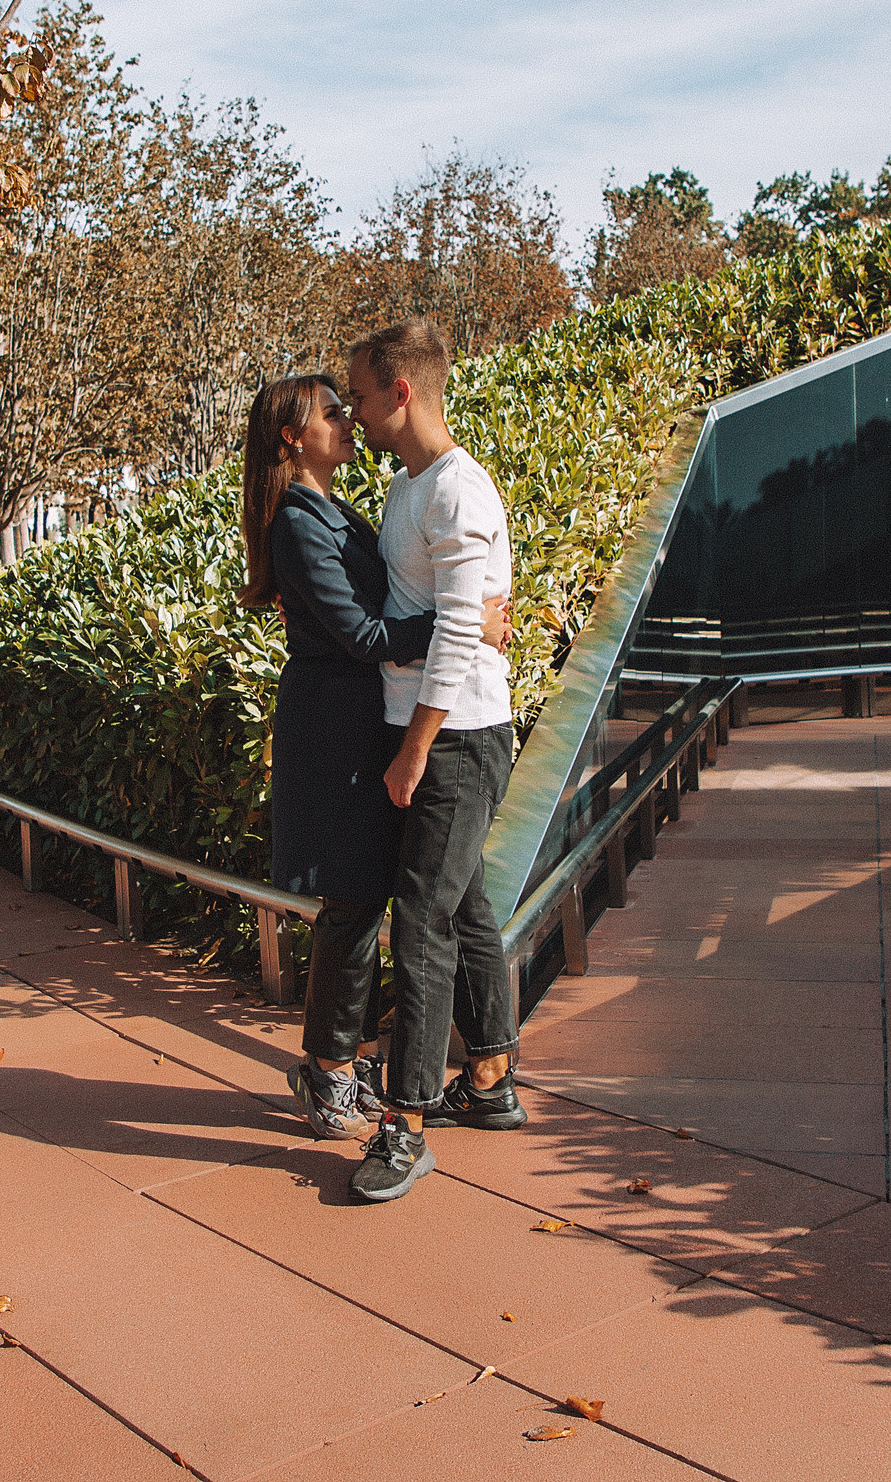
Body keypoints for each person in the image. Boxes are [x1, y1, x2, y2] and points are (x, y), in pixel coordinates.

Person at [237, 374, 509, 1141]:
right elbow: (362, 634)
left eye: (348, 404)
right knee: (352, 903)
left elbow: (378, 610)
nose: (348, 418)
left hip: (363, 722)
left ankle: (351, 1065)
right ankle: (328, 1072)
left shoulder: (333, 510)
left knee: (374, 901)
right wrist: (465, 625)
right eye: (332, 412)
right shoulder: (299, 522)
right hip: (336, 732)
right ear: (293, 436)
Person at [340, 318, 523, 1204]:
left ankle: (405, 1125)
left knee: (419, 921)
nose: (355, 412)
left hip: (455, 737)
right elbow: (479, 602)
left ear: (402, 393)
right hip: (433, 731)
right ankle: (490, 1078)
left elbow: (461, 628)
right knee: (466, 906)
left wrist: (416, 746)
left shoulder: (458, 488)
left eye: (363, 397)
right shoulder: (412, 489)